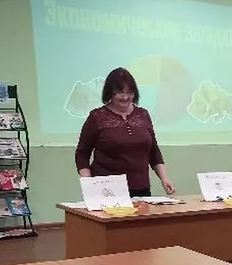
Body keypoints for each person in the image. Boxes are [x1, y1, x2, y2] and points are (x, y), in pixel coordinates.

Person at [75, 67, 176, 198]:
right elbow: (82, 154)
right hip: (107, 189)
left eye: (129, 92)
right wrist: (89, 183)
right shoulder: (97, 117)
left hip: (141, 188)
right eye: (119, 92)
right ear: (110, 93)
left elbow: (154, 152)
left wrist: (164, 178)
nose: (125, 97)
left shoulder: (143, 115)